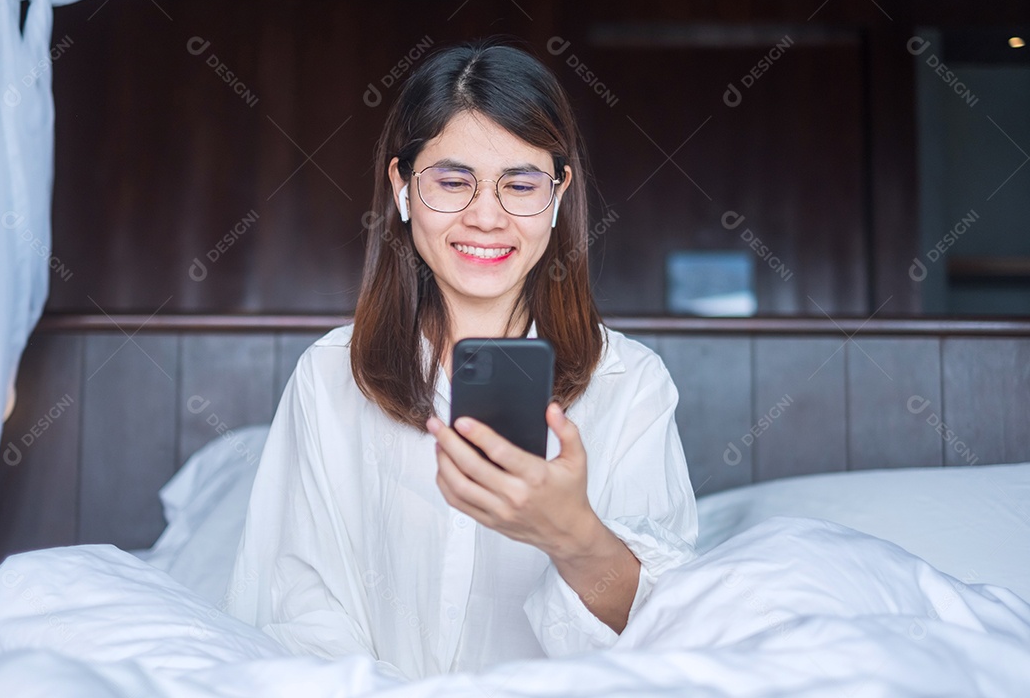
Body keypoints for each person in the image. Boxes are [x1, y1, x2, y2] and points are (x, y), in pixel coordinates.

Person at [226, 39, 697, 681]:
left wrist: (575, 537)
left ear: (558, 193)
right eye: (452, 182)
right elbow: (294, 605)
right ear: (402, 188)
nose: (485, 217)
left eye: (520, 184)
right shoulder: (330, 375)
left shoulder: (630, 382)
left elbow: (667, 636)